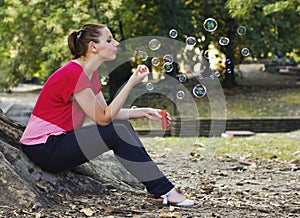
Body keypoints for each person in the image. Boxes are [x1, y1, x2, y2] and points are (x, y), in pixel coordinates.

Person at [20, 23, 198, 207]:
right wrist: (130, 83)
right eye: (109, 40)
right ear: (93, 46)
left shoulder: (90, 73)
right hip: (44, 148)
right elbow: (103, 118)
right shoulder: (73, 74)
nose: (117, 43)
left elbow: (107, 113)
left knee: (122, 127)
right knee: (116, 131)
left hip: (59, 140)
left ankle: (160, 189)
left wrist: (143, 112)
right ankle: (164, 190)